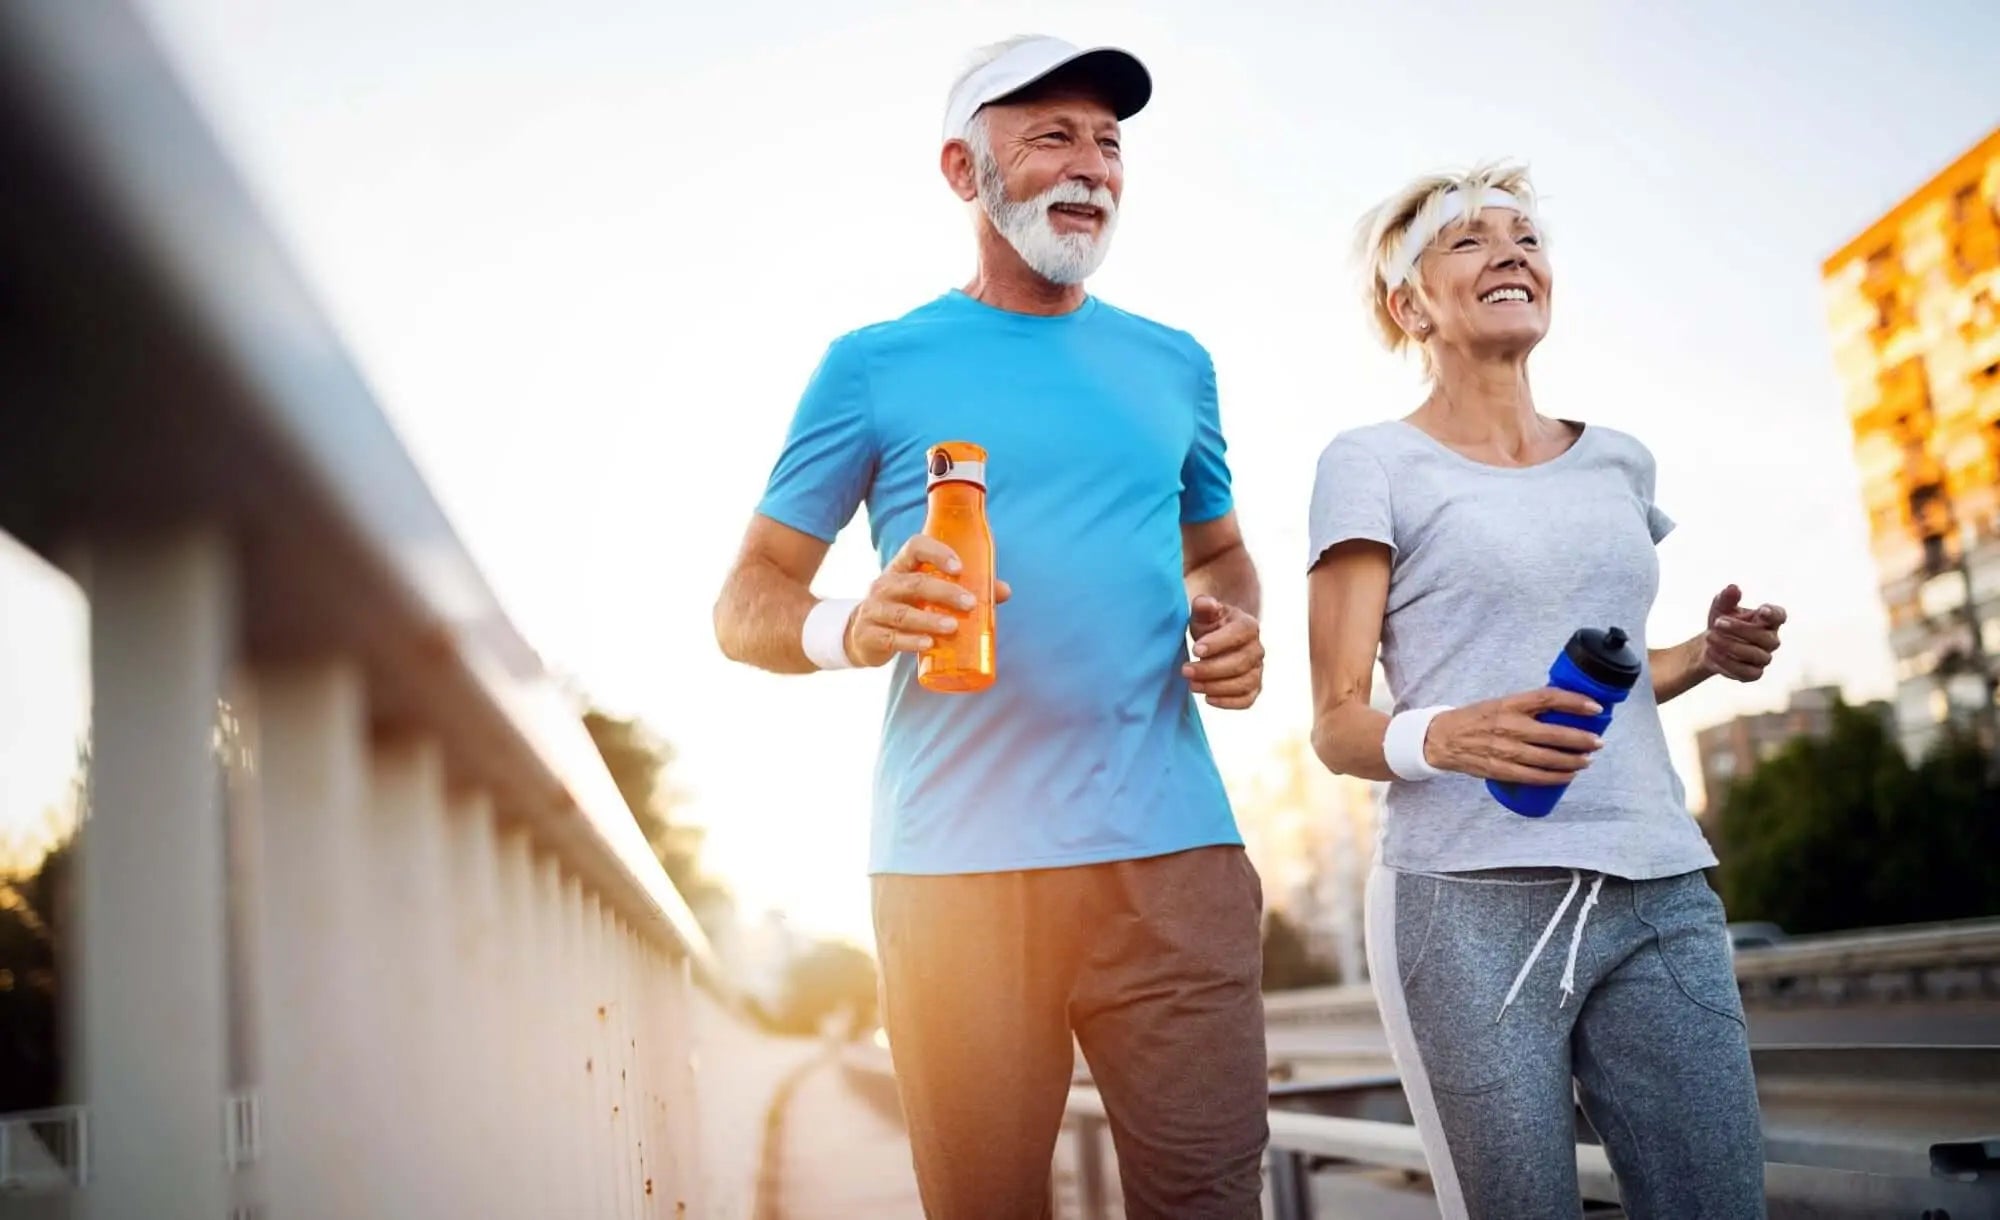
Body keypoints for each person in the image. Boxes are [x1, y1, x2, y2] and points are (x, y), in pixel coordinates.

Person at [712, 34, 1270, 1219]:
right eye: (1051, 136)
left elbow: (1219, 551)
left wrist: (1234, 624)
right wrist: (855, 623)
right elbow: (745, 600)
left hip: (1173, 855)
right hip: (954, 866)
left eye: (1108, 143)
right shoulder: (872, 365)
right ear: (963, 171)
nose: (1090, 166)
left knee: (1213, 1203)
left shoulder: (1175, 364)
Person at [1305, 162, 1786, 1220]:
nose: (1510, 252)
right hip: (1466, 902)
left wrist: (1704, 653)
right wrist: (1450, 736)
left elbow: (1614, 679)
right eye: (1469, 240)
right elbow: (1336, 723)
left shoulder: (1619, 462)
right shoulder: (1370, 463)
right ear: (1409, 305)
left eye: (1524, 236)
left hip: (1658, 882)